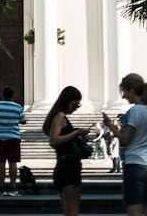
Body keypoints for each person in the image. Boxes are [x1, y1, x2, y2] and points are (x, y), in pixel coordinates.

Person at [44, 86, 100, 216]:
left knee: (68, 212)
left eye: (78, 106)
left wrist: (78, 135)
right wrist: (76, 133)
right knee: (72, 213)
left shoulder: (58, 116)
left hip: (64, 166)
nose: (75, 109)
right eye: (74, 105)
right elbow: (53, 141)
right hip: (68, 167)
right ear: (66, 101)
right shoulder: (60, 116)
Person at [108, 72, 147, 216]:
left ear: (131, 89)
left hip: (135, 163)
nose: (124, 96)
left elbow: (124, 140)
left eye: (124, 91)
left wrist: (111, 126)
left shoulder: (134, 111)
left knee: (134, 209)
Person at [0, 85, 26, 195]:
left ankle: (1, 187)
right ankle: (13, 187)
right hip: (13, 137)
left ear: (3, 95)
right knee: (13, 162)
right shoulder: (18, 107)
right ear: (12, 95)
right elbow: (23, 120)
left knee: (1, 163)